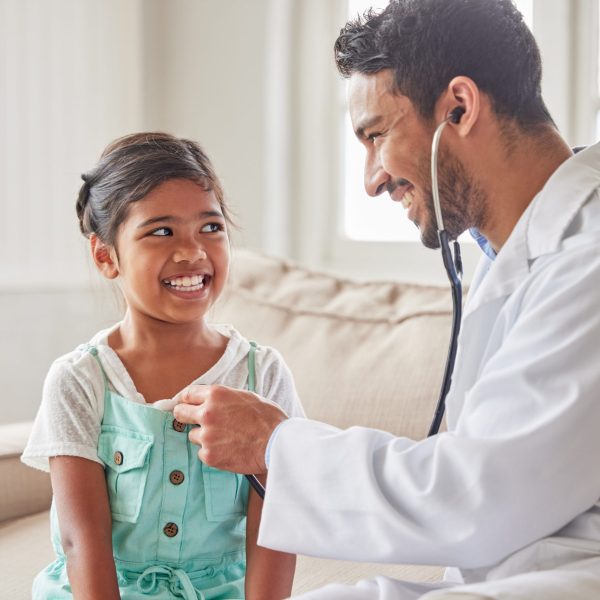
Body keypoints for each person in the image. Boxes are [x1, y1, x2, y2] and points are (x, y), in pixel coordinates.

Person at [172, 1, 600, 599]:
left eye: (376, 136)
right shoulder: (519, 255)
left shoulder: (589, 260)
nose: (371, 179)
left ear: (459, 107)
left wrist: (275, 445)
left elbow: (475, 494)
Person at [21, 132, 304, 599]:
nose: (193, 252)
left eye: (211, 228)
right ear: (105, 256)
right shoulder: (79, 381)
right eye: (161, 231)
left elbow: (275, 529)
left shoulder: (263, 374)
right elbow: (80, 543)